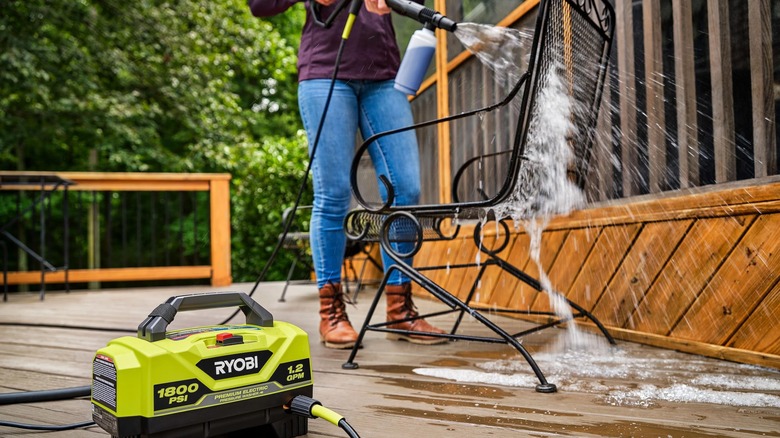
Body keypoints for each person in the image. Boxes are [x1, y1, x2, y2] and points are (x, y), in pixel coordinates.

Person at [248, 0, 446, 349]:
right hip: (325, 73)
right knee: (333, 192)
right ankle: (331, 311)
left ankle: (400, 307)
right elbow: (259, 5)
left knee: (406, 188)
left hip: (384, 76)